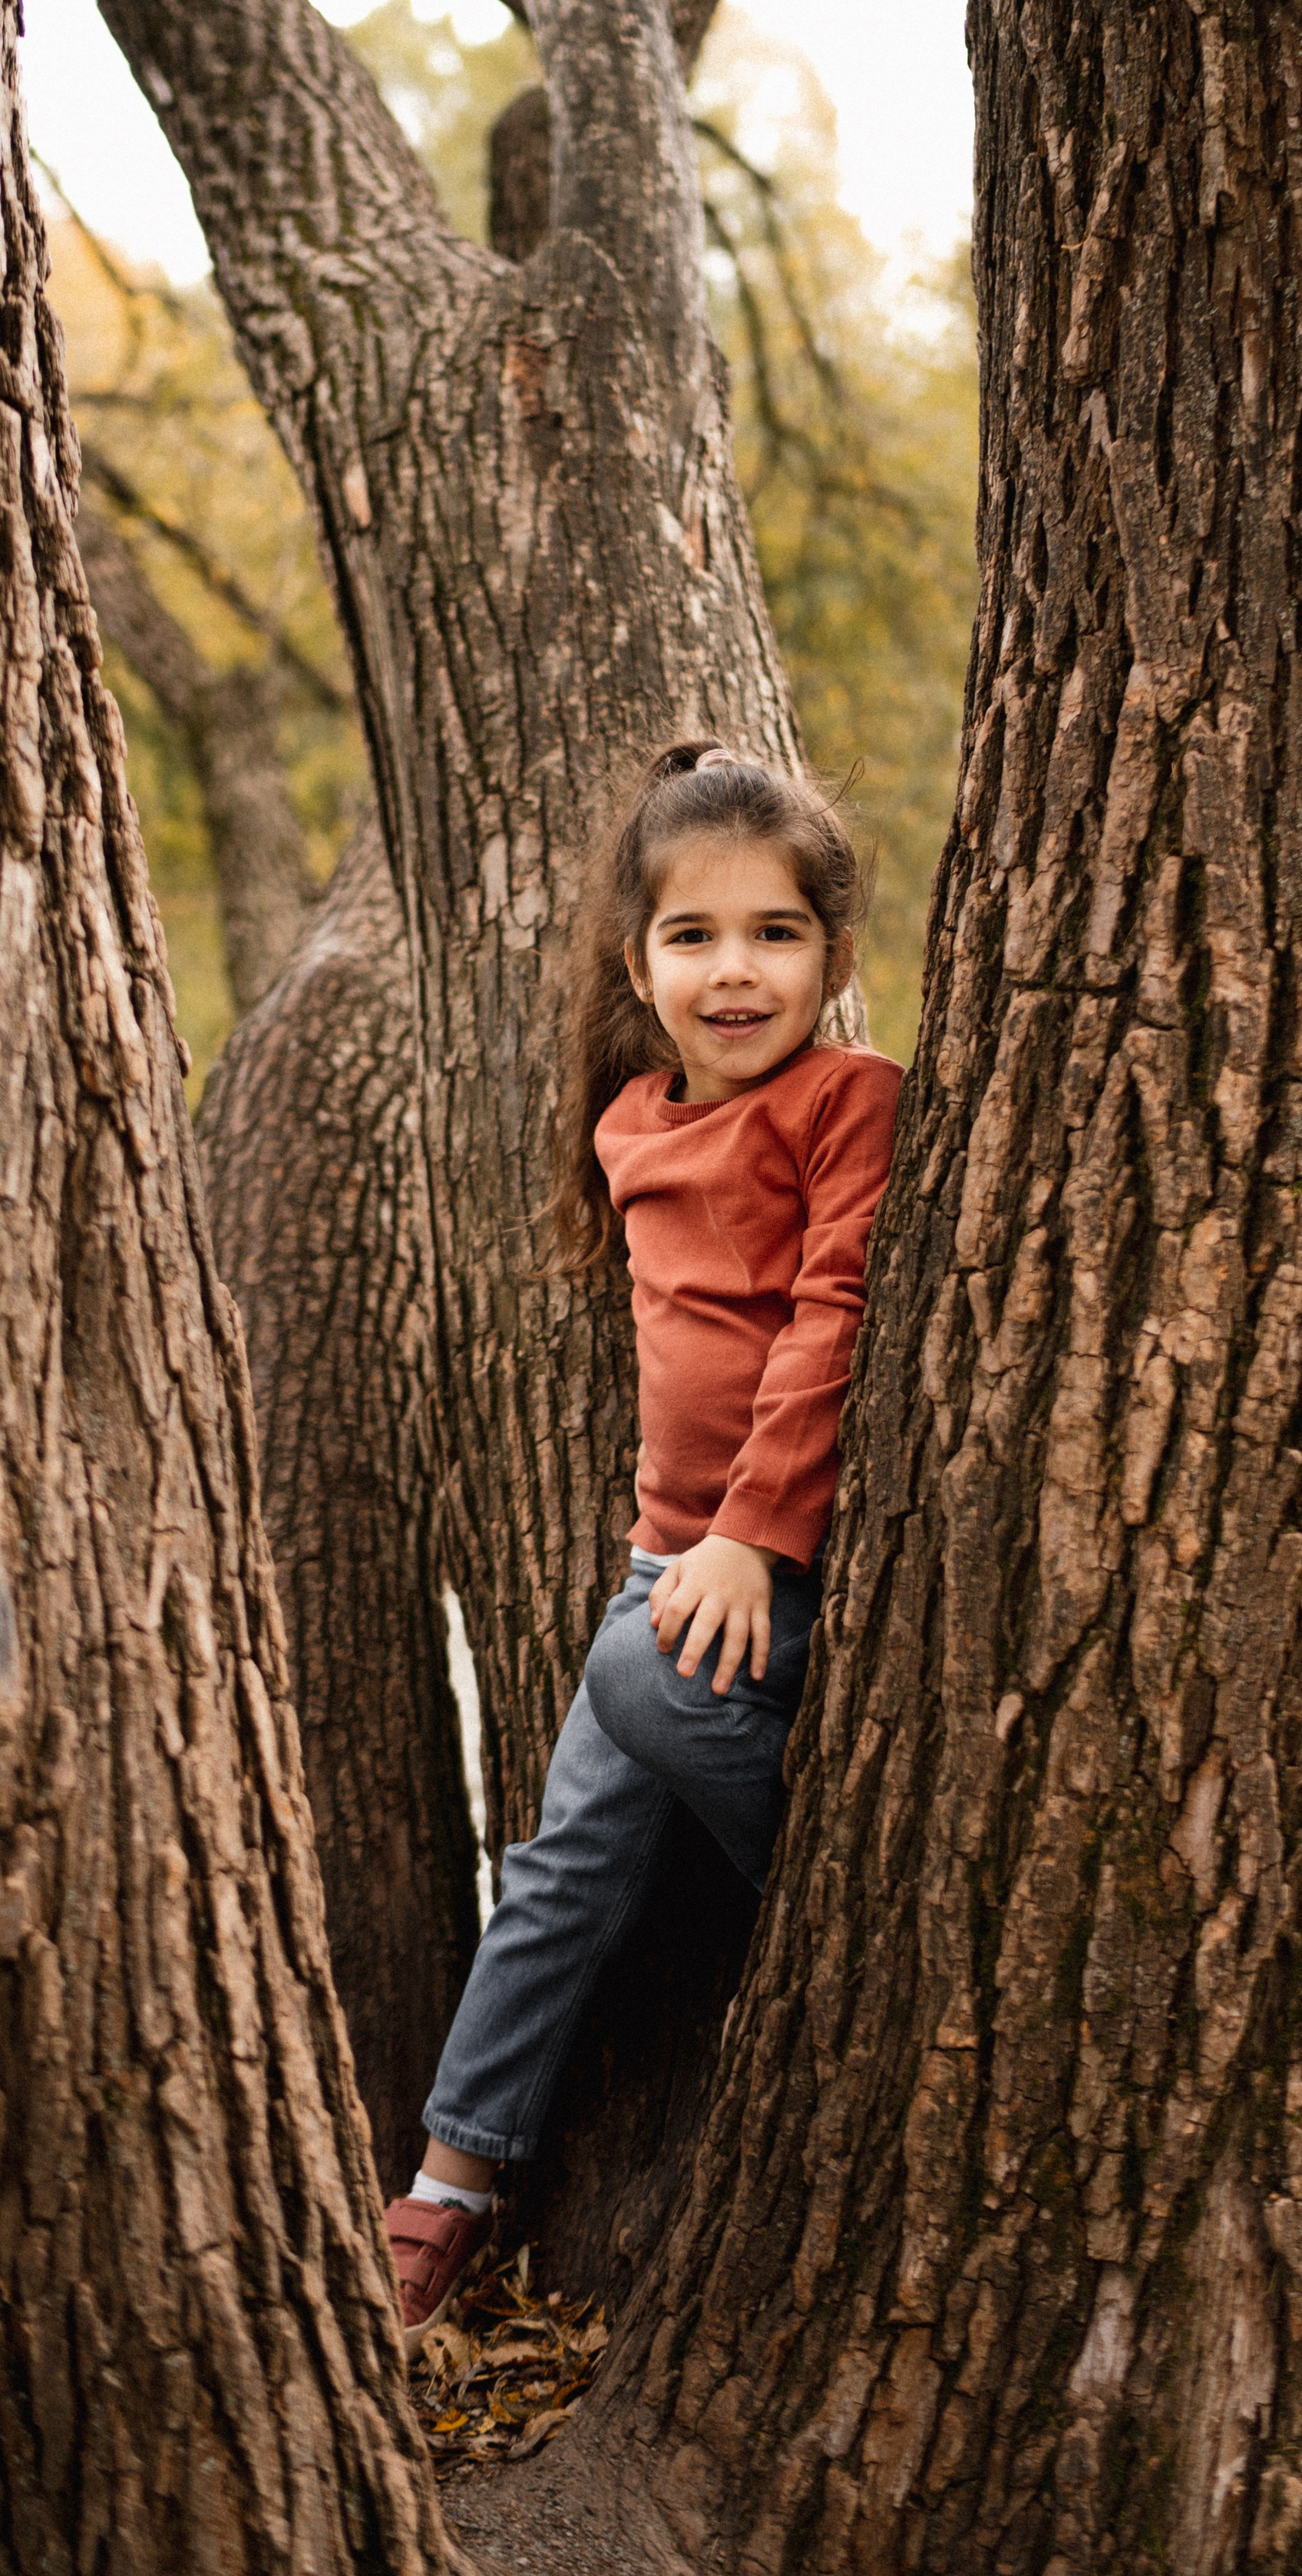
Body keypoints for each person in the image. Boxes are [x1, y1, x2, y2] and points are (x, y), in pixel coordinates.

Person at [383, 739, 903, 2340]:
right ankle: (449, 2180)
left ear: (832, 953)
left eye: (775, 932)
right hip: (664, 1555)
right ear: (637, 965)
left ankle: (834, 1897)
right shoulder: (627, 1124)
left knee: (641, 1674)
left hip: (773, 1561)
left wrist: (751, 1532)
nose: (734, 969)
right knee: (557, 1870)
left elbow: (831, 1314)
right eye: (694, 935)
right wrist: (689, 1545)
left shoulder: (849, 1101)